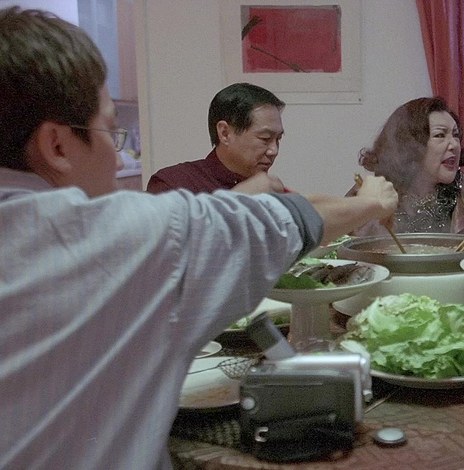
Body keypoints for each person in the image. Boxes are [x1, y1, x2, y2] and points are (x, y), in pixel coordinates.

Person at [0, 7, 397, 469]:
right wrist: (373, 200)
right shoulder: (121, 236)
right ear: (57, 145)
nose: (120, 157)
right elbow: (290, 219)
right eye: (110, 131)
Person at [346, 97, 464, 236]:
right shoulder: (372, 191)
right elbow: (342, 245)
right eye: (440, 135)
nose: (454, 145)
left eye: (456, 135)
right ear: (410, 144)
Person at [146, 82, 288, 194]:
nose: (274, 151)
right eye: (265, 138)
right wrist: (239, 198)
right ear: (225, 133)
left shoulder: (273, 191)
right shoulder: (173, 184)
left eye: (278, 139)